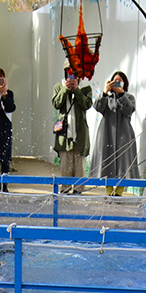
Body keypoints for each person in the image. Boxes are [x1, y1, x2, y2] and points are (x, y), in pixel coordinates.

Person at [89, 71, 139, 196]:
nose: (116, 84)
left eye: (119, 82)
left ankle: (119, 192)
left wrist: (121, 94)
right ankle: (109, 191)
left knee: (124, 162)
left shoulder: (129, 97)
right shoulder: (107, 98)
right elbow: (98, 107)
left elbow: (128, 111)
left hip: (124, 134)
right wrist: (105, 92)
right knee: (107, 161)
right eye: (114, 81)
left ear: (124, 84)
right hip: (107, 134)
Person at [52, 59, 93, 194]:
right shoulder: (59, 86)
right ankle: (65, 189)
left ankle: (78, 191)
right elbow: (57, 103)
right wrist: (66, 89)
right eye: (69, 72)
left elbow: (87, 104)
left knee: (79, 166)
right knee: (65, 165)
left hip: (80, 134)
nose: (72, 76)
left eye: (75, 73)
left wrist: (77, 90)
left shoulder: (85, 88)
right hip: (64, 134)